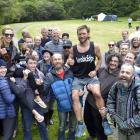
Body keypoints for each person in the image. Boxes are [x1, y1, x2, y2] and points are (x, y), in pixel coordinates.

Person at [67, 25, 111, 137]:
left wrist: (95, 70)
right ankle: (80, 124)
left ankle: (104, 121)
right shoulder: (73, 48)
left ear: (88, 34)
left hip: (91, 76)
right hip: (78, 77)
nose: (82, 36)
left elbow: (100, 59)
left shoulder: (94, 46)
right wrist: (70, 61)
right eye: (79, 34)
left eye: (83, 33)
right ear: (77, 35)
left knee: (96, 93)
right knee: (74, 97)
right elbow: (70, 60)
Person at [84, 53, 122, 140]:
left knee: (99, 126)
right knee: (87, 119)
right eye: (111, 60)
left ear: (119, 63)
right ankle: (92, 135)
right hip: (89, 99)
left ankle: (101, 138)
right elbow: (90, 79)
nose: (113, 63)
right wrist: (88, 86)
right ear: (108, 61)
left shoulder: (119, 77)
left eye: (115, 61)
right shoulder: (101, 70)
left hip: (101, 104)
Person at [44, 53, 77, 140]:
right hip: (62, 106)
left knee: (73, 127)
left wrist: (80, 90)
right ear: (52, 61)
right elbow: (44, 91)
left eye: (59, 59)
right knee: (62, 126)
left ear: (63, 61)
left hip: (75, 104)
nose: (57, 61)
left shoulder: (70, 71)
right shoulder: (49, 76)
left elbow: (77, 83)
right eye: (55, 59)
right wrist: (39, 85)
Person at [107, 63, 140, 140]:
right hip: (121, 129)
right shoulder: (116, 86)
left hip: (136, 131)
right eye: (122, 72)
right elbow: (110, 100)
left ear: (133, 76)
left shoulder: (138, 89)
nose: (124, 74)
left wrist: (128, 124)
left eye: (127, 73)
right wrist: (114, 116)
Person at [0, 60, 16, 140]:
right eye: (0, 68)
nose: (3, 70)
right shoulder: (3, 82)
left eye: (4, 67)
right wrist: (14, 92)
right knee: (8, 136)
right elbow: (9, 99)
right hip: (7, 112)